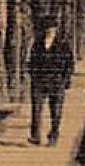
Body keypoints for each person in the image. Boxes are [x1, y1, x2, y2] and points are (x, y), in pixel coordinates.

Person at [28, 16, 75, 145]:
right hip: (39, 81)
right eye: (48, 29)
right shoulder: (37, 44)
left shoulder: (63, 45)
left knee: (56, 111)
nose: (50, 31)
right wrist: (33, 75)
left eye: (52, 29)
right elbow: (32, 61)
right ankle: (35, 135)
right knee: (36, 109)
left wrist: (65, 79)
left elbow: (70, 63)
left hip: (56, 82)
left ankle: (53, 135)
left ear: (56, 30)